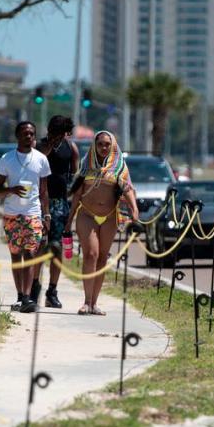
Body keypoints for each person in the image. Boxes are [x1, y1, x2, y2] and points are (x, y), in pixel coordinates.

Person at [66, 130, 138, 315]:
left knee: (102, 257)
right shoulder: (86, 164)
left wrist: (134, 210)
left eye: (107, 144)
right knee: (91, 254)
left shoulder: (119, 165)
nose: (104, 148)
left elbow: (127, 189)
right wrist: (69, 220)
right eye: (100, 144)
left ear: (113, 145)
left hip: (109, 216)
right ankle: (86, 301)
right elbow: (77, 195)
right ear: (94, 145)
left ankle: (95, 303)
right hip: (87, 214)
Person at [0, 121, 51, 313]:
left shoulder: (41, 159)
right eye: (25, 133)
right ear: (17, 136)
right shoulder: (6, 159)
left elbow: (44, 191)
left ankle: (27, 297)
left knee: (31, 253)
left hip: (33, 213)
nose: (29, 136)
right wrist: (11, 189)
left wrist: (47, 214)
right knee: (16, 255)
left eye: (32, 133)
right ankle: (20, 295)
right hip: (12, 214)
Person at [31, 115, 79, 308]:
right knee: (39, 246)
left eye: (61, 134)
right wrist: (49, 146)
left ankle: (52, 290)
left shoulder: (71, 148)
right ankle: (34, 287)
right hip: (40, 203)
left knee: (57, 248)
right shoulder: (40, 146)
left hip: (60, 204)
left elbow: (75, 174)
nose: (57, 137)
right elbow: (36, 163)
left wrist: (72, 194)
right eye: (54, 133)